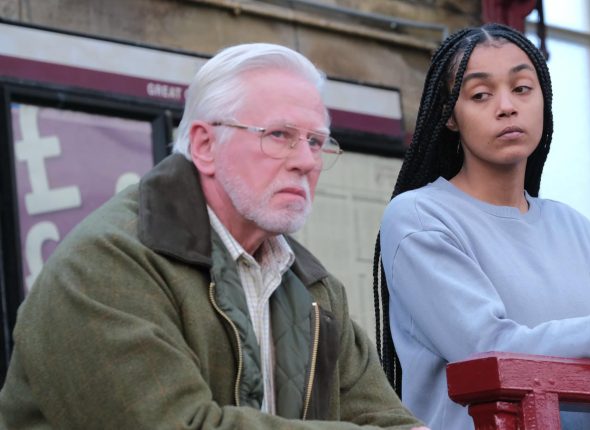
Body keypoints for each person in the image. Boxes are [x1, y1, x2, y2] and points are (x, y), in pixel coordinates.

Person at [0, 43, 428, 430]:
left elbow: (389, 420)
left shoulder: (316, 290)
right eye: (279, 135)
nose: (306, 161)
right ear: (205, 145)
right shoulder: (106, 262)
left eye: (316, 142)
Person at [372, 23, 590, 430]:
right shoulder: (419, 217)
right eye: (481, 94)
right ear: (450, 115)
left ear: (544, 99)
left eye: (522, 88)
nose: (507, 106)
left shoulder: (571, 227)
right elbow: (489, 349)